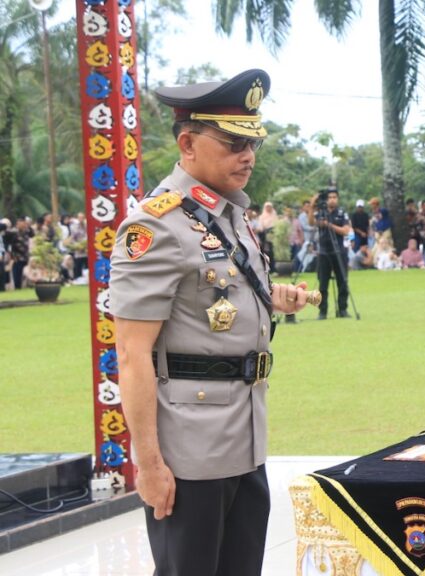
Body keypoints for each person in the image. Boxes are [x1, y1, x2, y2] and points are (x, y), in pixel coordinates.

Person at [108, 69, 315, 576]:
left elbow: (217, 302)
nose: (247, 155)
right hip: (189, 451)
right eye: (232, 142)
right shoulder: (155, 225)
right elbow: (133, 355)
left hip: (244, 438)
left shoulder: (232, 217)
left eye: (252, 142)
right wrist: (149, 463)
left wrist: (273, 300)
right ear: (187, 143)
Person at [316, 187, 352, 319]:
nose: (332, 200)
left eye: (334, 197)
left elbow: (346, 231)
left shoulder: (342, 213)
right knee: (322, 284)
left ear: (338, 199)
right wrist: (312, 204)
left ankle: (343, 310)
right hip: (324, 252)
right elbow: (310, 222)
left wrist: (329, 225)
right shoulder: (320, 212)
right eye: (330, 197)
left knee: (342, 281)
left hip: (339, 251)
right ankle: (322, 311)